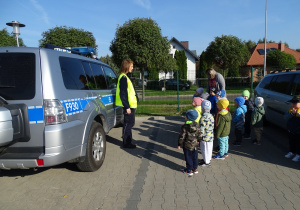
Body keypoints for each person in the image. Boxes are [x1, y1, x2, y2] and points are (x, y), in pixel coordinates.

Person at [116, 59, 138, 149]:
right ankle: (126, 143)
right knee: (127, 124)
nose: (132, 68)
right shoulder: (123, 78)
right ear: (127, 66)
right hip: (128, 106)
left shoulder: (125, 77)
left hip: (131, 106)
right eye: (131, 66)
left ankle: (128, 140)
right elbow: (123, 94)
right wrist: (127, 107)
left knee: (130, 123)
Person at [178, 109, 201, 176]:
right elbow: (200, 134)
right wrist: (199, 140)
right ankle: (195, 169)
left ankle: (189, 170)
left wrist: (179, 144)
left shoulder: (185, 126)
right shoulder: (197, 125)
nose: (184, 116)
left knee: (188, 157)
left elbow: (182, 136)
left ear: (187, 118)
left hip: (187, 145)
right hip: (195, 145)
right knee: (195, 157)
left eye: (185, 115)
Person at [199, 100, 215, 167]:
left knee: (204, 149)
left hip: (205, 137)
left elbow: (201, 129)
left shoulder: (203, 118)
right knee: (209, 149)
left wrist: (200, 136)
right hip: (210, 136)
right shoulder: (211, 116)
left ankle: (206, 162)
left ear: (202, 108)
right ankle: (208, 159)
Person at [284, 95, 300, 162]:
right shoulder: (290, 110)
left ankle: (298, 155)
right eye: (292, 103)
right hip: (291, 129)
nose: (293, 104)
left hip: (298, 131)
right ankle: (291, 152)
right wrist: (291, 114)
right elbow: (285, 117)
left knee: (298, 143)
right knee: (291, 141)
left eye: (295, 103)